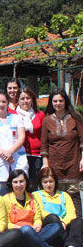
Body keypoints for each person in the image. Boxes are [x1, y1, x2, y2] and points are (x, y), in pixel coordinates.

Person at [41, 89, 83, 218]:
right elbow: (44, 145)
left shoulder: (76, 118)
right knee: (57, 198)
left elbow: (82, 140)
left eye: (60, 100)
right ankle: (59, 229)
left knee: (74, 197)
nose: (57, 103)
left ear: (65, 101)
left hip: (73, 164)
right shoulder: (47, 120)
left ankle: (77, 228)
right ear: (51, 103)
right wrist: (45, 164)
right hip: (55, 165)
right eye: (55, 101)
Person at [30, 166, 82, 247]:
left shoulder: (64, 195)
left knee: (78, 220)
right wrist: (59, 221)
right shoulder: (36, 195)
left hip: (64, 227)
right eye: (45, 182)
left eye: (51, 181)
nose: (48, 185)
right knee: (53, 217)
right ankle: (71, 243)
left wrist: (63, 222)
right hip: (50, 227)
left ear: (55, 182)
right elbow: (41, 212)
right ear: (41, 183)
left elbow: (71, 213)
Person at [0, 91, 28, 193]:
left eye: (4, 102)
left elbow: (21, 137)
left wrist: (10, 152)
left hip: (16, 158)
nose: (1, 105)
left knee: (19, 187)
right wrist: (3, 154)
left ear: (8, 102)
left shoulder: (16, 118)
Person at [17, 87, 45, 191]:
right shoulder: (14, 116)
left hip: (36, 155)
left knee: (35, 185)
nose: (25, 101)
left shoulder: (40, 115)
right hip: (19, 155)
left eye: (28, 98)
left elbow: (44, 135)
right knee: (21, 185)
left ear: (32, 100)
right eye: (22, 98)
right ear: (18, 100)